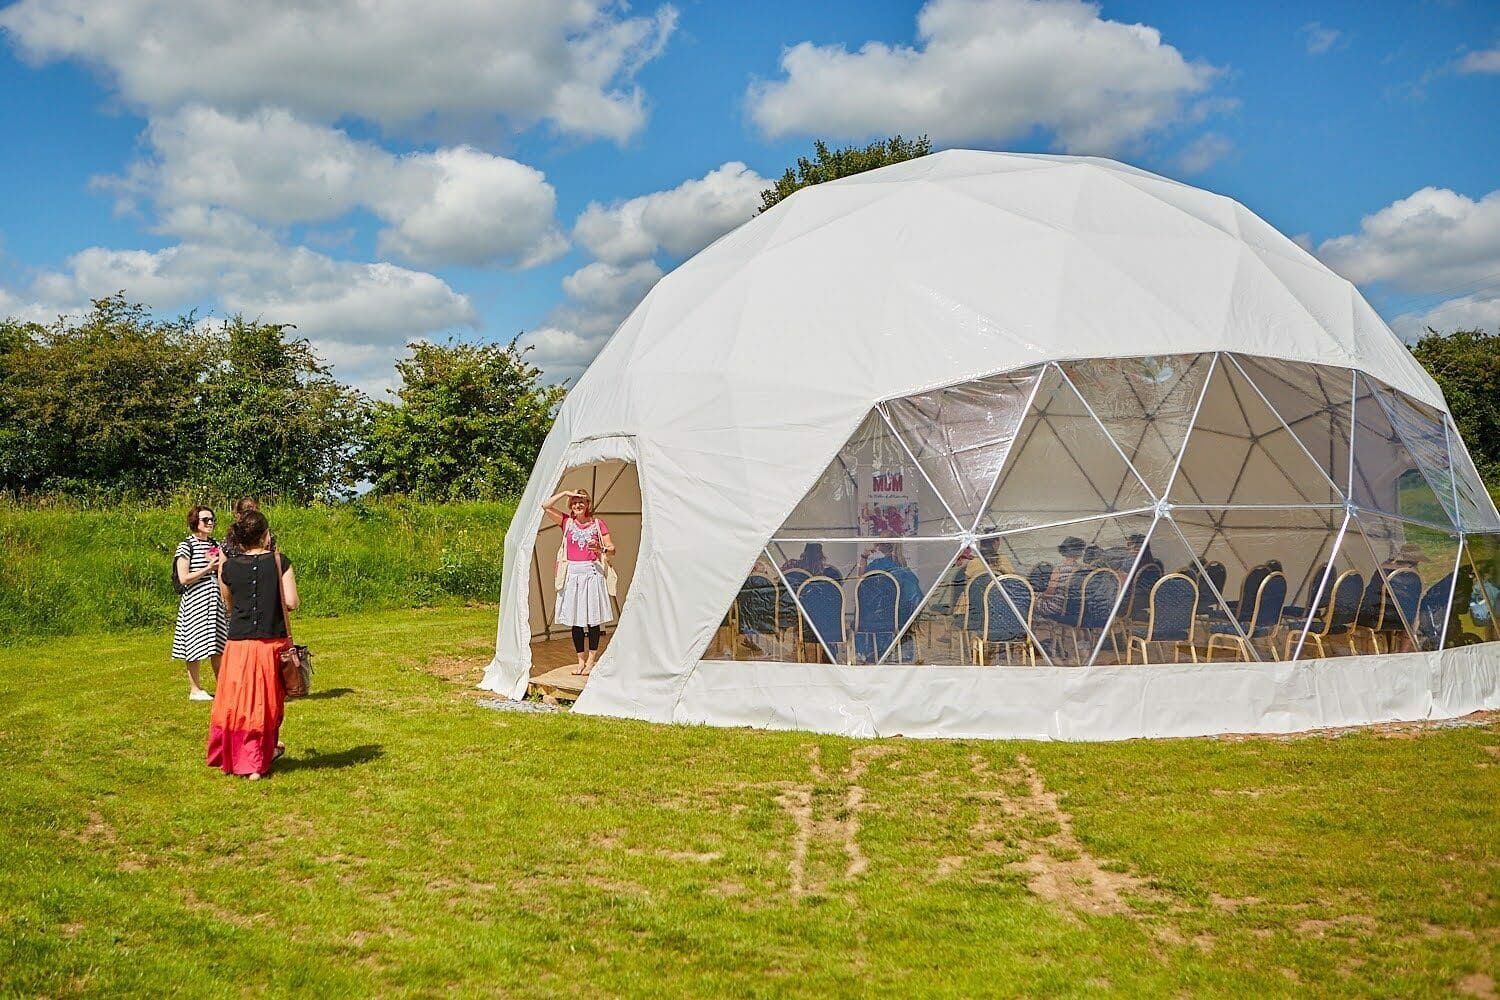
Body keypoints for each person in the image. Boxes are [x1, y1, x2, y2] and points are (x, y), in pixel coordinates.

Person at [209, 509, 298, 780]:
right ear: (266, 535)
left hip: (238, 644)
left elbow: (229, 605)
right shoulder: (279, 561)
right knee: (266, 704)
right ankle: (258, 760)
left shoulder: (228, 567)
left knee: (238, 704)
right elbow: (292, 602)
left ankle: (241, 759)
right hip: (271, 642)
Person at [543, 488, 616, 675]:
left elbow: (612, 548)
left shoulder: (598, 524)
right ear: (570, 505)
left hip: (591, 574)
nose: (577, 505)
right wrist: (566, 492)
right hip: (572, 575)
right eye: (574, 502)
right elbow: (545, 505)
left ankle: (591, 660)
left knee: (592, 620)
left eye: (581, 502)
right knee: (575, 621)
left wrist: (601, 549)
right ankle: (580, 661)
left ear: (588, 505)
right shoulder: (567, 522)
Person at [172, 506, 227, 701]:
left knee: (218, 644)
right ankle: (195, 689)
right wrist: (208, 568)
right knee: (194, 644)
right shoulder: (186, 546)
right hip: (196, 601)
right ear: (195, 522)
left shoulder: (214, 544)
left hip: (215, 601)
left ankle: (223, 687)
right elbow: (184, 577)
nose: (210, 523)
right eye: (205, 520)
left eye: (212, 519)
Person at [1037, 536, 1087, 619]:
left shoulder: (1059, 568)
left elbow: (1049, 594)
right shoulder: (1082, 569)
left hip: (1057, 608)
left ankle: (1030, 629)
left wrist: (1037, 595)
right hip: (1076, 609)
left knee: (1029, 601)